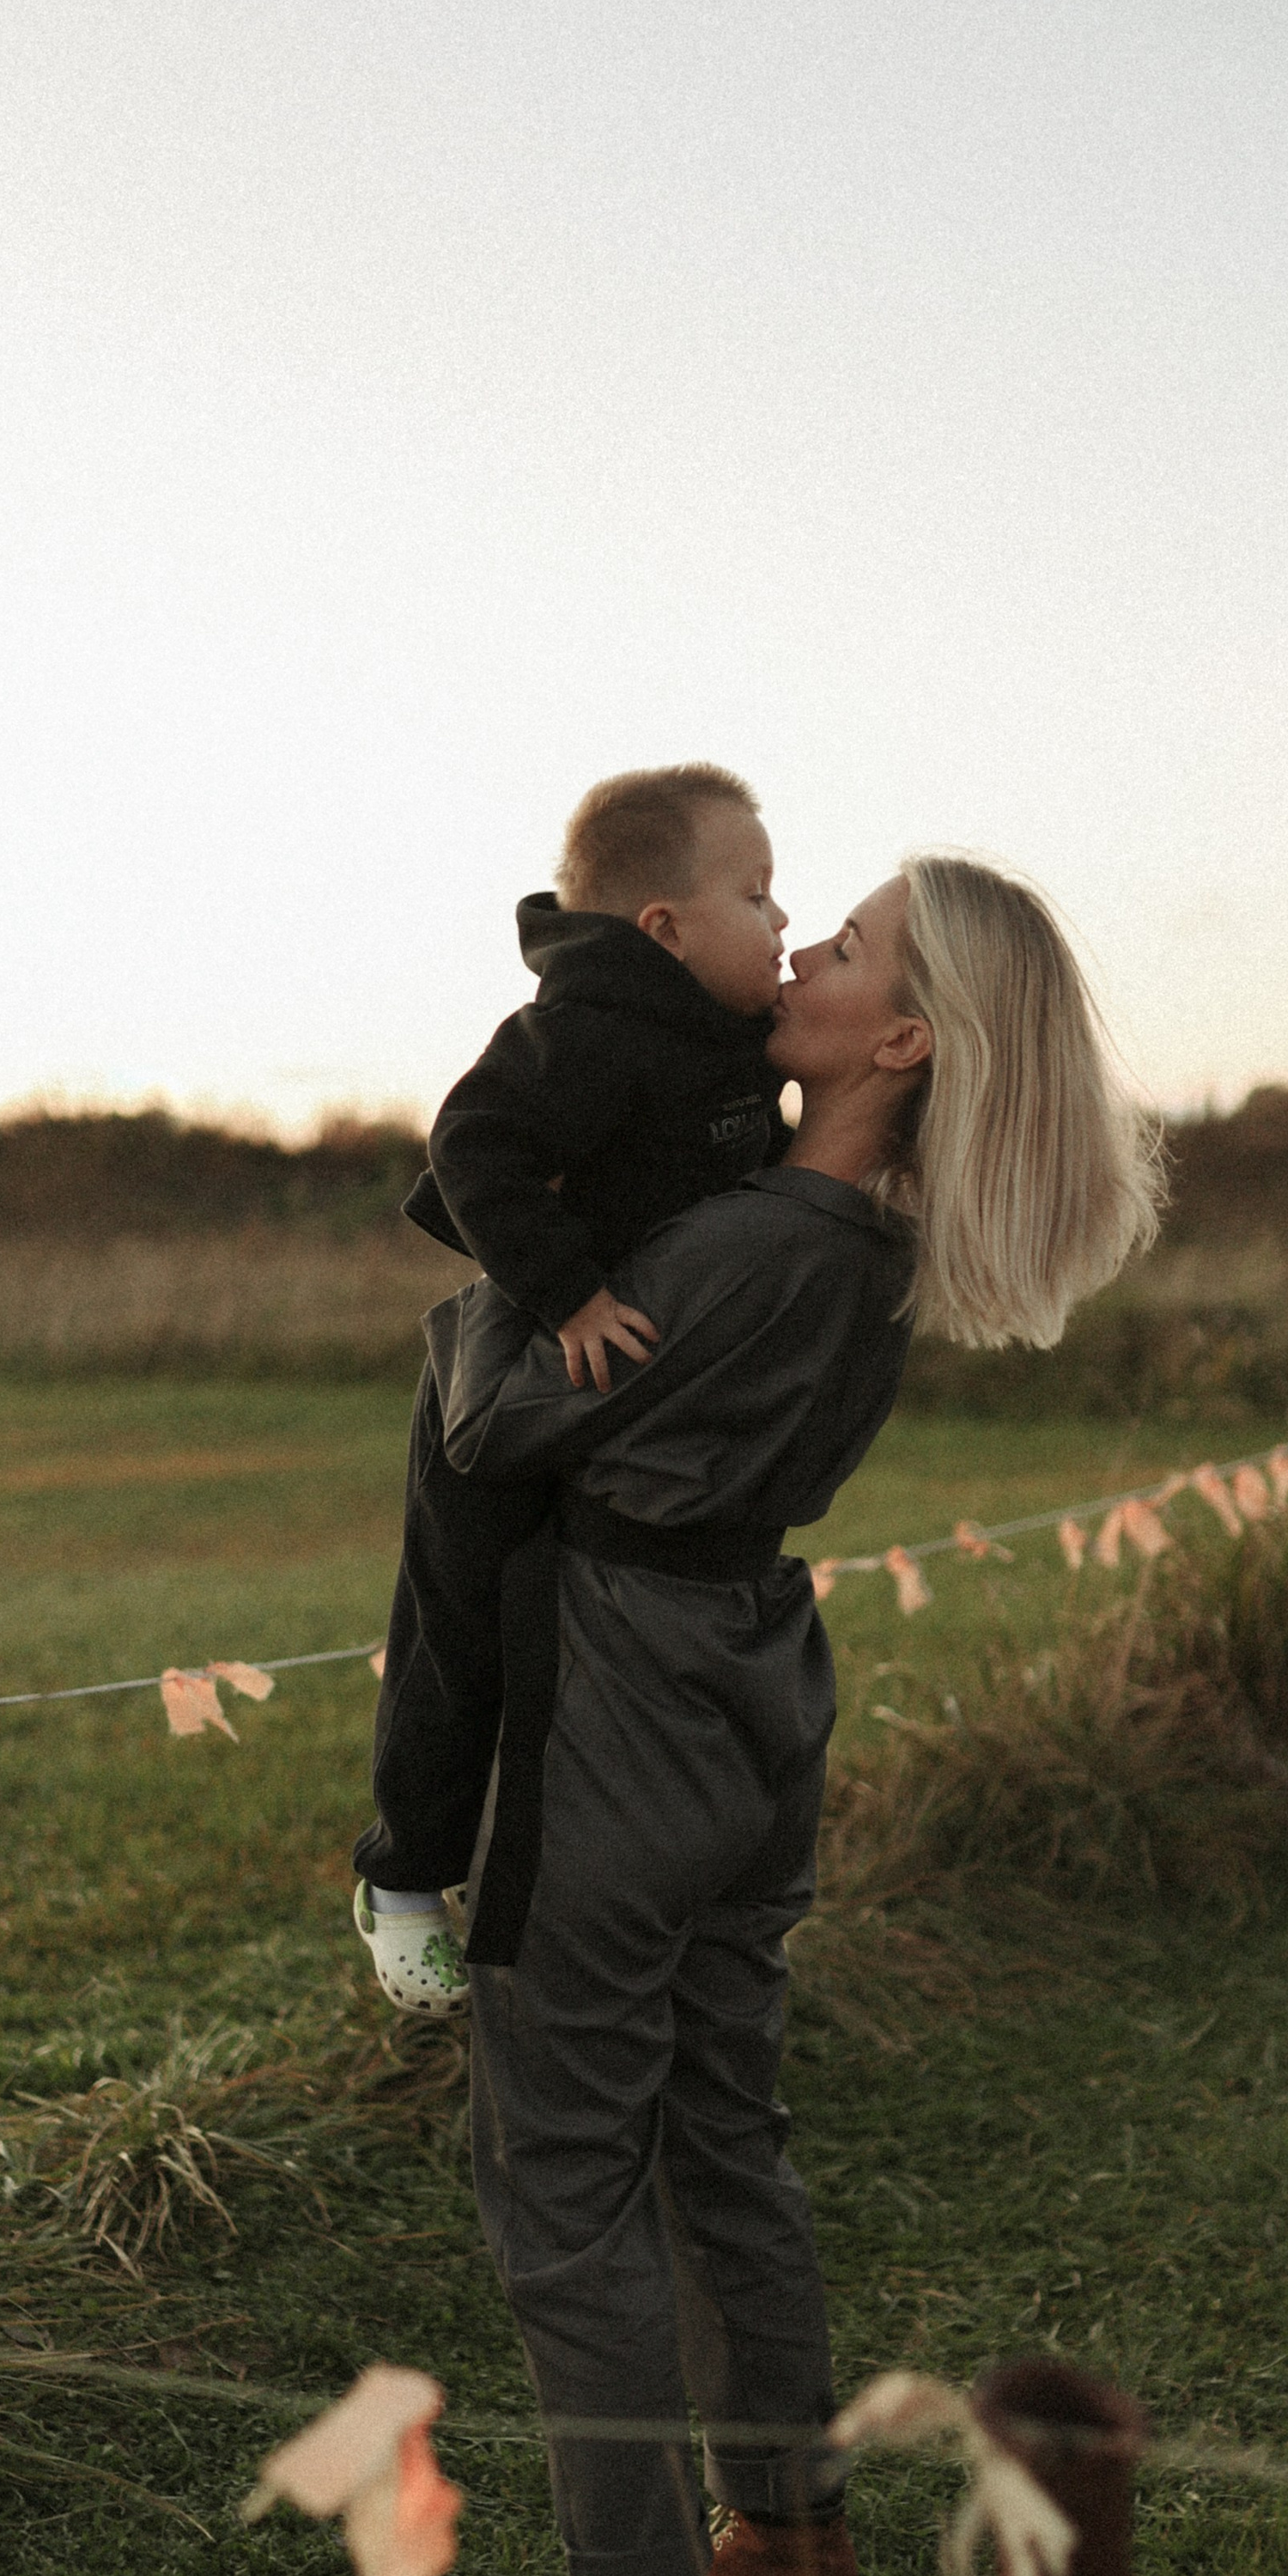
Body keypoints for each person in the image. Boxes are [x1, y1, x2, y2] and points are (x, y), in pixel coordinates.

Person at [418, 856, 1165, 2576]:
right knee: (719, 2139)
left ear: (898, 1041)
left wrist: (493, 1278)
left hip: (618, 1706)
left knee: (563, 2164)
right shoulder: (867, 1254)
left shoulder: (745, 1244)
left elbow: (497, 1420)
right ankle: (788, 2558)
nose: (804, 950)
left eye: (843, 947)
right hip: (751, 1698)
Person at [353, 763, 793, 2016]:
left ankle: (574, 1898)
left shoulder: (737, 1038)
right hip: (504, 1379)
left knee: (569, 1642)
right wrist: (571, 1295)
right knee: (460, 1633)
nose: (782, 923)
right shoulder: (589, 1027)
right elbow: (473, 1143)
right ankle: (403, 1878)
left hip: (607, 1397)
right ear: (664, 929)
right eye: (757, 895)